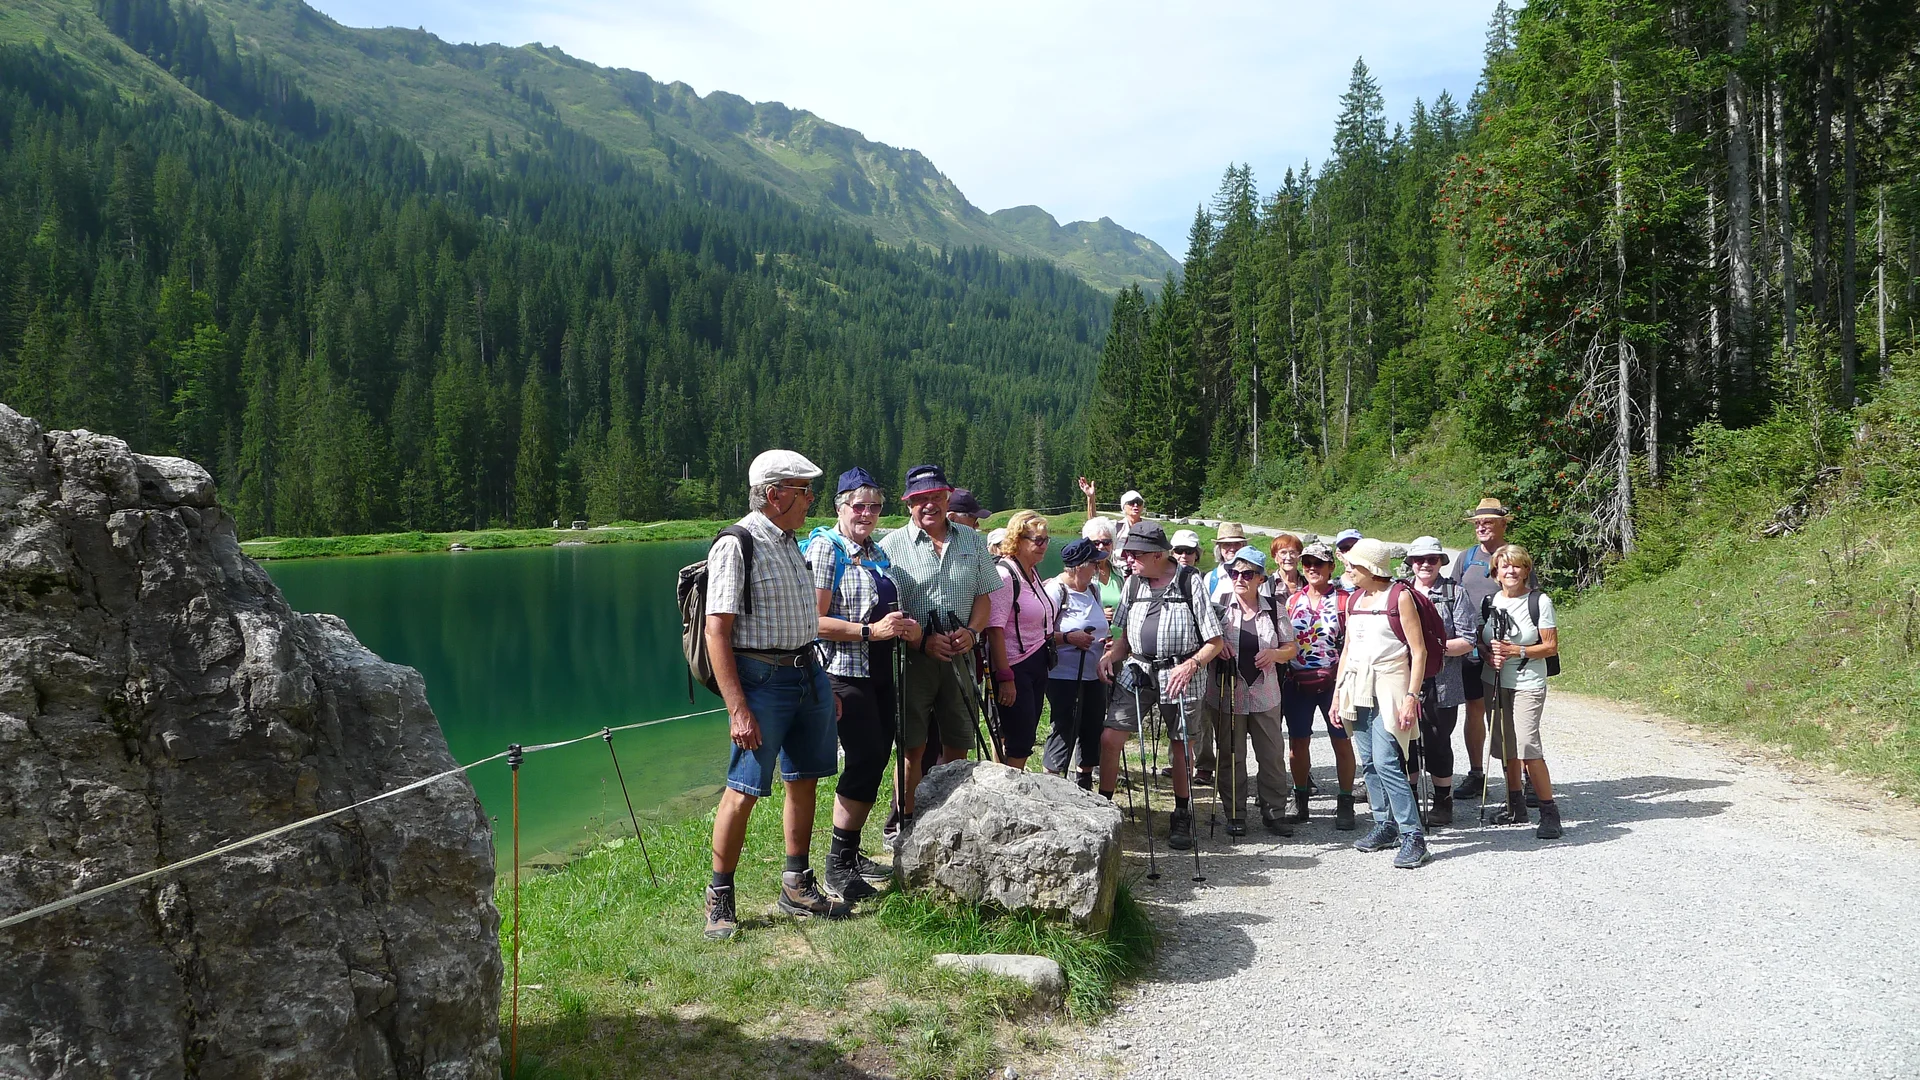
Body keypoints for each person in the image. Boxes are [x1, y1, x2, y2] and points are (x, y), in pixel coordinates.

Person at [703, 450, 851, 941]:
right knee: (743, 790)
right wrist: (738, 709)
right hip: (762, 680)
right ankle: (720, 898)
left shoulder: (790, 540)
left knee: (804, 778)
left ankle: (796, 884)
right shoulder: (737, 544)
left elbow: (801, 621)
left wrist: (822, 681)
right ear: (775, 494)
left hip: (807, 672)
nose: (812, 499)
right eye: (804, 490)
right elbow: (716, 632)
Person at [806, 468, 924, 902]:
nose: (868, 513)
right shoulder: (826, 548)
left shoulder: (875, 552)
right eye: (859, 506)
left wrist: (903, 627)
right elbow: (813, 621)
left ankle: (850, 853)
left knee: (876, 759)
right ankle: (838, 867)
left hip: (879, 670)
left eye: (875, 506)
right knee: (863, 759)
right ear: (839, 507)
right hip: (842, 671)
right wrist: (870, 631)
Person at [879, 465, 1001, 832]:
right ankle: (905, 819)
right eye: (919, 500)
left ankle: (950, 822)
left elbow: (983, 596)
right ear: (908, 505)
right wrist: (921, 639)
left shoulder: (971, 540)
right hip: (912, 656)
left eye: (935, 497)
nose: (928, 505)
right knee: (911, 746)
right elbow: (885, 608)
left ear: (947, 498)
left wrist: (973, 631)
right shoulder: (890, 547)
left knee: (958, 741)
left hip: (961, 653)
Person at [1097, 521, 1225, 851]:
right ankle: (1103, 807)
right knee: (1111, 737)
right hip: (1138, 667)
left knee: (1182, 745)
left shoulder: (1189, 581)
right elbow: (1125, 636)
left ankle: (1182, 813)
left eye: (1134, 554)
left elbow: (1215, 641)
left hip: (1181, 672)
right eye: (1126, 554)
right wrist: (1112, 656)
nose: (1127, 559)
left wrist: (1192, 664)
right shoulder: (1132, 583)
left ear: (1157, 555)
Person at [1334, 537, 1432, 869]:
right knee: (1370, 761)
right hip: (1357, 685)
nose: (1347, 571)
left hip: (1390, 685)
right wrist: (1337, 694)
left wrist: (1410, 698)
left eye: (1352, 566)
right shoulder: (1354, 600)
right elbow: (1347, 650)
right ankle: (1384, 824)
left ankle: (1413, 836)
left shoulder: (1400, 597)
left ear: (1369, 568)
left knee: (1388, 760)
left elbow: (1418, 652)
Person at [1203, 547, 1300, 836]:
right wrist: (1218, 647)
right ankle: (1235, 814)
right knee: (1231, 755)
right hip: (1226, 693)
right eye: (1234, 573)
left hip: (1265, 694)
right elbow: (1204, 640)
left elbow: (1291, 647)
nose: (1239, 578)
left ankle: (1274, 813)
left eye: (1247, 574)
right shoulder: (1217, 604)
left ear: (1260, 578)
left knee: (1271, 756)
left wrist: (1274, 655)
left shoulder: (1274, 608)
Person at [1450, 498, 1537, 799]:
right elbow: (1452, 598)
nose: (1481, 526)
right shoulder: (1466, 558)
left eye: (1488, 522)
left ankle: (1522, 779)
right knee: (1474, 710)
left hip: (1506, 649)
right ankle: (1477, 774)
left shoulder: (1514, 558)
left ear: (1503, 524)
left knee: (1508, 715)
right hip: (1472, 649)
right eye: (1477, 523)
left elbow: (1532, 602)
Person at [1479, 544, 1561, 839]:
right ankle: (1515, 805)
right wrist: (1488, 655)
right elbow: (1483, 640)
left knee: (1527, 745)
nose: (1510, 571)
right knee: (1503, 743)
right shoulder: (1490, 601)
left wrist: (1516, 650)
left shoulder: (1539, 601)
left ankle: (1549, 811)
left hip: (1528, 683)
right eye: (1504, 566)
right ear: (1495, 572)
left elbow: (1550, 646)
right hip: (1495, 680)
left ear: (1526, 570)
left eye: (1517, 566)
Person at [1402, 536, 1478, 827]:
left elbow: (1468, 639)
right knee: (1405, 741)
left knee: (1437, 741)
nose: (1425, 564)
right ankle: (1408, 800)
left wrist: (1433, 649)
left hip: (1443, 680)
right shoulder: (1401, 591)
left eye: (1432, 559)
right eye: (1419, 559)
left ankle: (1443, 802)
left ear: (1440, 563)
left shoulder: (1453, 593)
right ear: (1410, 562)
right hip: (1405, 678)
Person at [1283, 541, 1359, 829]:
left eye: (1319, 564)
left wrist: (1342, 683)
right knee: (1298, 742)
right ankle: (1300, 799)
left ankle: (1345, 801)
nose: (1312, 569)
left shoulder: (1344, 601)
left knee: (1341, 741)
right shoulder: (1292, 601)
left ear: (1331, 567)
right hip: (1297, 681)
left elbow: (1352, 644)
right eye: (1307, 564)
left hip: (1334, 683)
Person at [987, 510, 1056, 771]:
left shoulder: (1031, 572)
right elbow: (995, 629)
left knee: (1026, 733)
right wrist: (1005, 676)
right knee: (1019, 738)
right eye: (1037, 540)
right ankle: (1010, 791)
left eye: (1046, 540)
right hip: (1015, 666)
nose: (1043, 546)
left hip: (1037, 660)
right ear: (1018, 539)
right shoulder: (1006, 576)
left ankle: (1011, 785)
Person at [1042, 539, 1111, 788]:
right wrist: (1070, 638)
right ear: (1079, 566)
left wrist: (1108, 642)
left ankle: (1084, 780)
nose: (1098, 568)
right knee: (1065, 724)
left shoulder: (1093, 590)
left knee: (1093, 723)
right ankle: (1052, 783)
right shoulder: (1055, 591)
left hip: (1094, 672)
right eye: (1095, 563)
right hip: (1063, 674)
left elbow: (1101, 624)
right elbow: (1039, 634)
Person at [1080, 517, 1125, 617]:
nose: (1101, 546)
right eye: (1095, 543)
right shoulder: (1080, 573)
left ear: (1113, 544)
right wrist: (1098, 613)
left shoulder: (1118, 572)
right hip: (1092, 631)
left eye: (1106, 542)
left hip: (1119, 631)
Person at [1203, 523, 1251, 603]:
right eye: (1227, 544)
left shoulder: (1255, 575)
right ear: (1219, 548)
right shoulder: (1210, 578)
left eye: (1237, 544)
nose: (1232, 548)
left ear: (1244, 547)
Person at [1264, 532, 1307, 602]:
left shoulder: (1307, 583)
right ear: (1276, 558)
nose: (1288, 557)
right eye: (1283, 553)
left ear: (1299, 556)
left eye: (1292, 552)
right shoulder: (1267, 584)